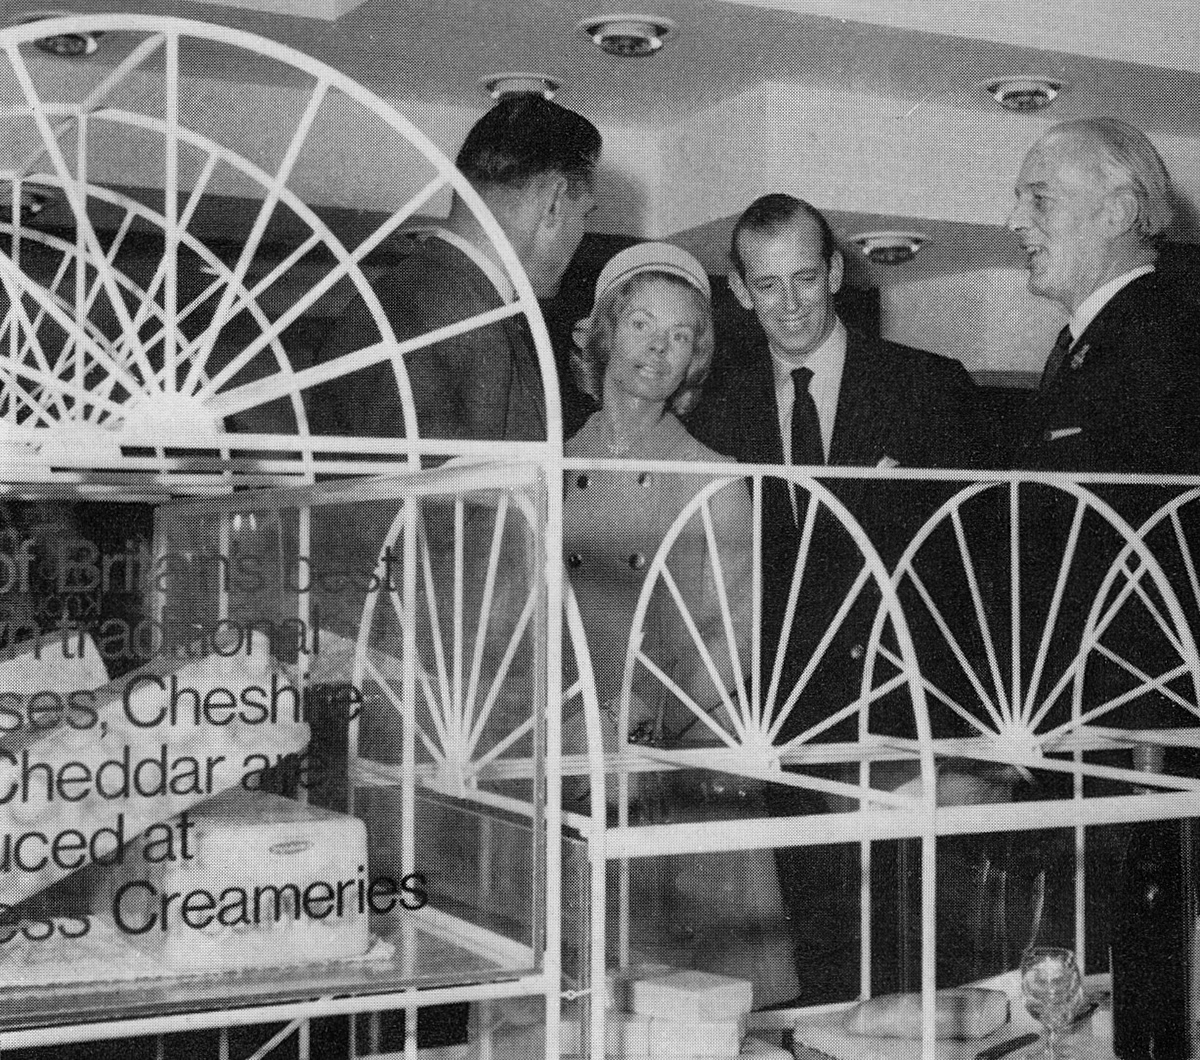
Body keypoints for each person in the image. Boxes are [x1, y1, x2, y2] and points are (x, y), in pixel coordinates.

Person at [686, 194, 995, 1002]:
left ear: (833, 272)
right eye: (767, 284)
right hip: (790, 736)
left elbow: (979, 575)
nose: (789, 305)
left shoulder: (929, 388)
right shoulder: (720, 419)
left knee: (925, 973)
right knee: (825, 972)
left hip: (910, 727)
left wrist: (972, 738)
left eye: (804, 278)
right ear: (740, 290)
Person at [563, 242, 798, 1003]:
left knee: (678, 1015)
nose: (658, 350)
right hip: (564, 766)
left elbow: (732, 647)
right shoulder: (544, 470)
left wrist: (642, 726)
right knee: (569, 1012)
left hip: (675, 780)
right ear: (604, 334)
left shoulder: (717, 480)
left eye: (682, 336)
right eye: (640, 325)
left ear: (697, 358)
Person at [308, 92, 601, 442]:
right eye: (584, 214)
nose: (581, 233)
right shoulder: (457, 316)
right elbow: (423, 494)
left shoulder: (432, 300)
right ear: (553, 203)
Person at [1007, 117, 1200, 472]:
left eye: (1040, 200)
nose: (1014, 221)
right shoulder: (1092, 335)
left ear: (1117, 214)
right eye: (1019, 201)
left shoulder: (1167, 338)